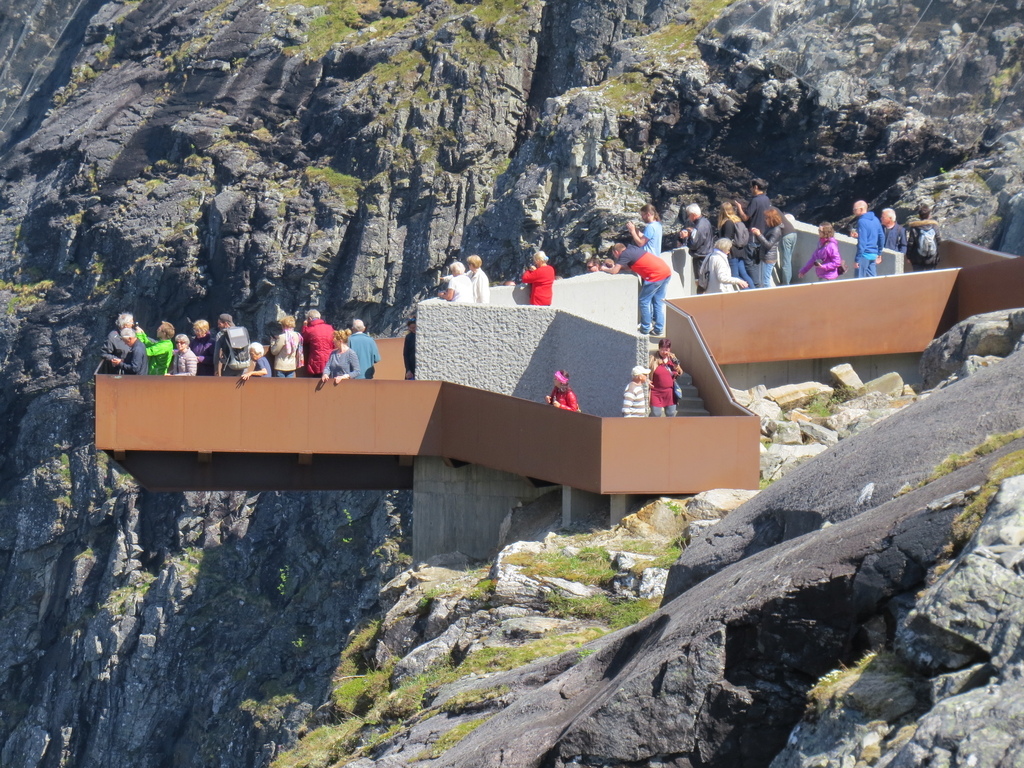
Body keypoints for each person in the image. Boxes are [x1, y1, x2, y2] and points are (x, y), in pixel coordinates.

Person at [604, 242, 672, 336]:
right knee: (657, 302)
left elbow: (614, 271)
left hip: (655, 276)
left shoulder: (624, 254)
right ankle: (658, 329)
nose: (615, 256)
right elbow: (630, 267)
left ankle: (645, 328)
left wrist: (604, 269)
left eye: (614, 254)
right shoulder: (632, 249)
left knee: (644, 301)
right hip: (665, 272)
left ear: (616, 252)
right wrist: (618, 267)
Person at [717, 202, 754, 290]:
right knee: (743, 274)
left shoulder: (728, 222)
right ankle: (753, 291)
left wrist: (724, 250)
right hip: (740, 251)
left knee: (735, 275)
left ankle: (747, 290)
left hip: (732, 252)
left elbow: (727, 239)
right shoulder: (737, 220)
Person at [678, 203, 714, 282]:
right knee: (706, 280)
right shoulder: (706, 221)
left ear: (693, 214)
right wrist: (691, 232)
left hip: (701, 257)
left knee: (700, 282)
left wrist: (687, 237)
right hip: (707, 254)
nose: (688, 217)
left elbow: (694, 245)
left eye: (688, 215)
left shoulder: (699, 226)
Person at [750, 207, 784, 288]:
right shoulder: (771, 228)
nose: (765, 219)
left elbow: (768, 245)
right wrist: (757, 233)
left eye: (766, 218)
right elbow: (764, 240)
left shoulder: (776, 230)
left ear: (771, 218)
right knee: (763, 280)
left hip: (769, 258)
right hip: (765, 256)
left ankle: (770, 297)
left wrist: (759, 234)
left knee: (765, 281)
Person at [649, 339, 682, 417]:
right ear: (659, 349)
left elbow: (680, 372)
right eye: (662, 350)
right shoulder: (653, 358)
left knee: (670, 413)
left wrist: (676, 367)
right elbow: (646, 371)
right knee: (656, 414)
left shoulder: (672, 357)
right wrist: (647, 380)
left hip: (669, 392)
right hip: (656, 391)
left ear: (669, 349)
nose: (664, 352)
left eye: (666, 350)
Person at [852, 200, 884, 278]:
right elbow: (881, 237)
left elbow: (862, 242)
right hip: (873, 254)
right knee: (873, 280)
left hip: (864, 255)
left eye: (855, 209)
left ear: (862, 209)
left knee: (859, 281)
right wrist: (879, 253)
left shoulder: (861, 221)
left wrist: (857, 259)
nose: (853, 212)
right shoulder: (876, 219)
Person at [906, 204, 942, 271]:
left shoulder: (914, 228)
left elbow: (910, 243)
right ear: (929, 215)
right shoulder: (934, 226)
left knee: (918, 278)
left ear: (919, 216)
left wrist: (908, 257)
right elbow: (939, 241)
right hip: (932, 258)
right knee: (931, 277)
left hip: (917, 258)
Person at [301, 309, 335, 377]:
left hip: (316, 360)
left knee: (317, 381)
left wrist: (304, 327)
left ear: (310, 318)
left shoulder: (310, 330)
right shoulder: (330, 328)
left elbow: (303, 340)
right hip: (330, 358)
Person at [778, 212, 798, 285]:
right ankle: (788, 280)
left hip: (786, 237)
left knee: (785, 261)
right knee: (788, 259)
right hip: (793, 234)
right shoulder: (788, 223)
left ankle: (786, 283)